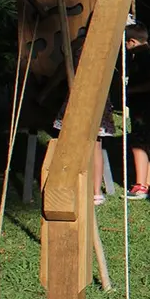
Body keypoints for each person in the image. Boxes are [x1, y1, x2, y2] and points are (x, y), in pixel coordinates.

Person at [46, 21, 115, 207]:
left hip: (91, 97)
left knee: (92, 145)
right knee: (87, 145)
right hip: (82, 95)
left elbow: (63, 71)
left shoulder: (102, 44)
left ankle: (94, 191)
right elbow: (64, 70)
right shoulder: (91, 44)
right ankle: (81, 188)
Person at [124, 23, 150, 200]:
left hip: (144, 106)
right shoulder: (147, 53)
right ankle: (149, 182)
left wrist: (130, 91)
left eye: (126, 43)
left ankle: (140, 185)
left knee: (138, 143)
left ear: (132, 41)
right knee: (145, 142)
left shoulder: (143, 57)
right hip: (146, 105)